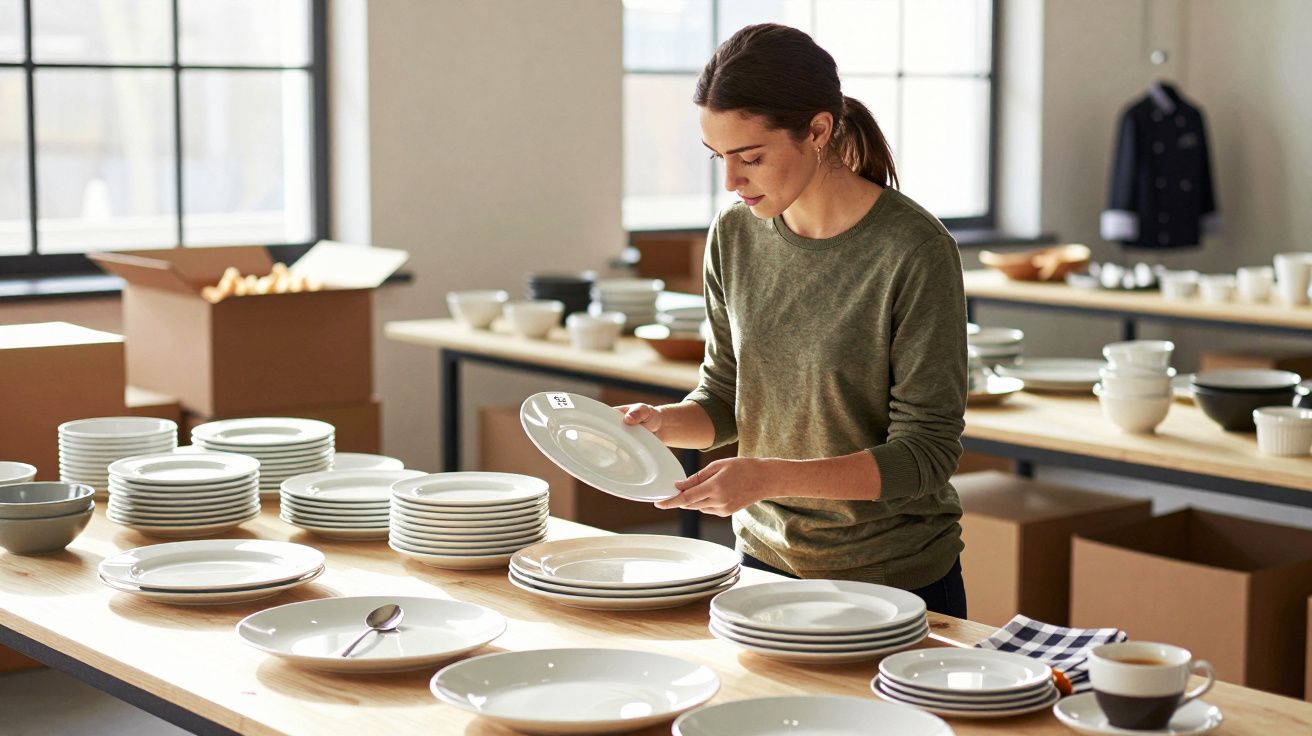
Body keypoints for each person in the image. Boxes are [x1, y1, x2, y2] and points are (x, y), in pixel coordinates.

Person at [616, 23, 968, 617]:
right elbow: (728, 397)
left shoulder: (914, 249)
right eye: (718, 158)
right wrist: (663, 425)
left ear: (818, 130)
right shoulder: (733, 235)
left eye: (750, 157)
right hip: (761, 565)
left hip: (893, 580)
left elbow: (927, 453)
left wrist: (766, 477)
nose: (731, 181)